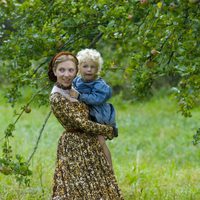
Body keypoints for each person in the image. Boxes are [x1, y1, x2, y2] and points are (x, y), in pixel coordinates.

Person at [48, 51, 124, 199]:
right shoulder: (57, 97)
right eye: (62, 70)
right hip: (75, 146)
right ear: (54, 71)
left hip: (90, 144)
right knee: (78, 190)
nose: (66, 74)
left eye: (70, 70)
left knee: (98, 188)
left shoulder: (73, 88)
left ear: (76, 71)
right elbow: (81, 123)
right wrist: (108, 130)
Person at [70, 48, 118, 169]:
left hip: (98, 115)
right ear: (79, 68)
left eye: (93, 67)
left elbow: (97, 99)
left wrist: (80, 96)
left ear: (98, 69)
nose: (89, 69)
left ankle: (109, 169)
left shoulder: (99, 84)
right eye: (85, 66)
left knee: (100, 141)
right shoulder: (76, 81)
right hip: (86, 114)